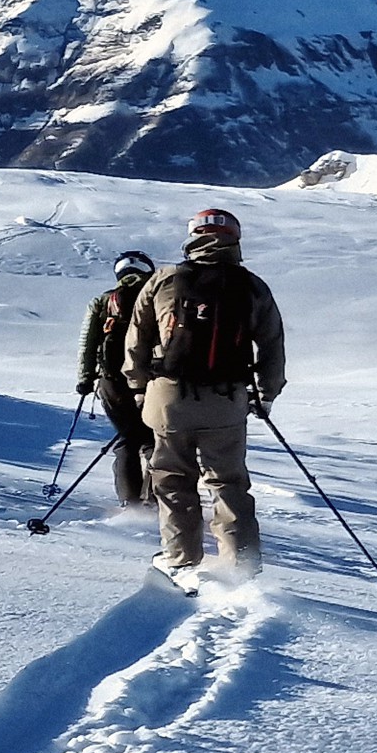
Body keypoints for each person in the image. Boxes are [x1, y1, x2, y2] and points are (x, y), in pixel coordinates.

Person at [129, 207, 287, 582]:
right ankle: (241, 566)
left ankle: (181, 558)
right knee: (229, 483)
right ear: (235, 239)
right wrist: (265, 395)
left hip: (168, 399)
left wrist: (139, 389)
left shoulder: (163, 280)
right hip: (226, 401)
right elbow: (272, 346)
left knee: (171, 479)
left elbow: (136, 340)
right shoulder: (251, 286)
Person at [76, 249, 158, 506]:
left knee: (127, 439)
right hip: (152, 381)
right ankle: (154, 499)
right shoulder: (158, 299)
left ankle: (128, 501)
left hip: (111, 382)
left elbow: (88, 344)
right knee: (155, 440)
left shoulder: (102, 302)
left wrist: (85, 378)